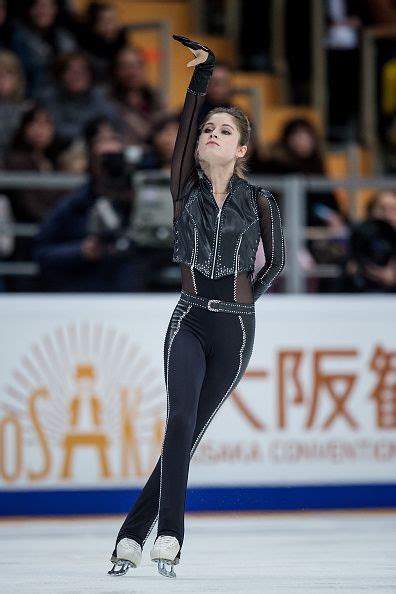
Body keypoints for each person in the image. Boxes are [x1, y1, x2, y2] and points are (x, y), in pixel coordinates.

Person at [108, 35, 285, 579]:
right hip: (188, 317)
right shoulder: (183, 189)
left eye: (224, 131)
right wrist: (201, 80)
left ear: (242, 150)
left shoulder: (259, 201)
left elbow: (274, 263)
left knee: (187, 436)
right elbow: (184, 133)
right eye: (210, 129)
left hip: (234, 329)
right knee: (178, 419)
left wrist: (243, 298)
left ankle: (129, 535)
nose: (211, 134)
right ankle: (169, 536)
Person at [33, 116, 145, 292]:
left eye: (115, 158)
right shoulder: (74, 204)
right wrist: (80, 251)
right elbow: (41, 253)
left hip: (135, 298)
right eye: (103, 159)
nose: (109, 167)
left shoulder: (143, 202)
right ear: (90, 159)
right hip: (86, 296)